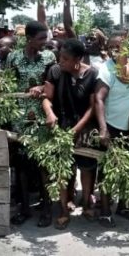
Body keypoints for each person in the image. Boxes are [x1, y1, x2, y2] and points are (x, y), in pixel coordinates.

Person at [42, 39, 99, 230]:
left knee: (87, 167)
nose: (61, 62)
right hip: (62, 127)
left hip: (85, 129)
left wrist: (77, 129)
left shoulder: (92, 74)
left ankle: (87, 203)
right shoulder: (55, 71)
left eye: (65, 59)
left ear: (78, 59)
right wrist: (50, 113)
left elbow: (92, 107)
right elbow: (46, 99)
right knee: (63, 169)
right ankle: (64, 209)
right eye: (60, 58)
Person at [5, 20, 55, 228]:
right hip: (19, 118)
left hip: (42, 116)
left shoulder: (49, 57)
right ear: (29, 39)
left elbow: (54, 83)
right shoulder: (13, 57)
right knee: (22, 167)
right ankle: (25, 209)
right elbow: (7, 85)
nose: (45, 41)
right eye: (41, 38)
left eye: (46, 38)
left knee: (43, 164)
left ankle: (46, 209)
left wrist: (40, 87)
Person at [94, 35, 129, 226]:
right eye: (112, 46)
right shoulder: (106, 69)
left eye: (120, 46)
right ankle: (105, 211)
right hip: (110, 125)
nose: (116, 50)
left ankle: (123, 205)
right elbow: (98, 99)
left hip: (128, 128)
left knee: (127, 168)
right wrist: (103, 128)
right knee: (106, 170)